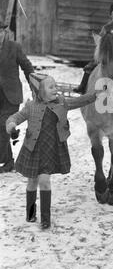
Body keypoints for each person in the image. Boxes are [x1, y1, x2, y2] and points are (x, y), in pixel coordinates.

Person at [6, 73, 96, 229]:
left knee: (45, 181)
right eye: (51, 86)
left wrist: (96, 94)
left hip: (51, 148)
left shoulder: (61, 103)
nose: (56, 89)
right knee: (32, 182)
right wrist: (11, 126)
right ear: (40, 91)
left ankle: (45, 219)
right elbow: (15, 117)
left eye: (56, 86)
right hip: (33, 149)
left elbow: (79, 101)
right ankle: (30, 212)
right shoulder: (31, 106)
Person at [0, 22, 34, 173]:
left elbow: (27, 67)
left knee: (3, 125)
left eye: (0, 32)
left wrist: (35, 87)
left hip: (11, 95)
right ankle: (8, 162)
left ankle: (5, 160)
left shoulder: (14, 47)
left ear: (4, 33)